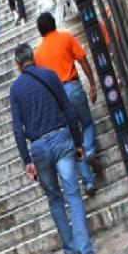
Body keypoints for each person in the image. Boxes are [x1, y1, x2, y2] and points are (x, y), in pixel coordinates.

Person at [9, 43, 96, 254]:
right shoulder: (49, 75)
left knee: (55, 200)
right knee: (73, 195)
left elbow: (17, 128)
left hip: (38, 148)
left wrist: (27, 160)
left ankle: (70, 253)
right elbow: (68, 109)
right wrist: (78, 143)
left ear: (18, 65)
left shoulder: (16, 89)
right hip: (61, 139)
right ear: (34, 58)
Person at [33, 11, 99, 195]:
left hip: (56, 96)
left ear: (40, 31)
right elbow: (83, 60)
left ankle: (88, 182)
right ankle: (91, 150)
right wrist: (92, 83)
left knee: (71, 139)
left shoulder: (38, 54)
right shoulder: (67, 38)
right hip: (73, 87)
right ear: (54, 24)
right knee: (86, 124)